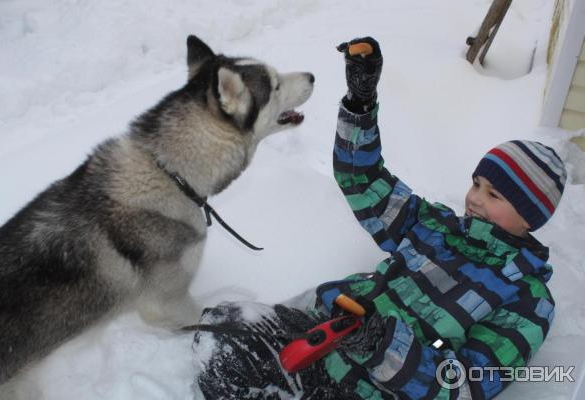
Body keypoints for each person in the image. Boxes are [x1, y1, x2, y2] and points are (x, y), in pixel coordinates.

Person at [191, 37, 567, 400]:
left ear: (530, 217)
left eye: (494, 194)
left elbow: (464, 385)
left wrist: (382, 345)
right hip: (317, 338)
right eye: (476, 184)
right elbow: (363, 181)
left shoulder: (527, 302)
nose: (475, 199)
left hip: (370, 390)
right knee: (222, 328)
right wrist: (360, 102)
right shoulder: (435, 227)